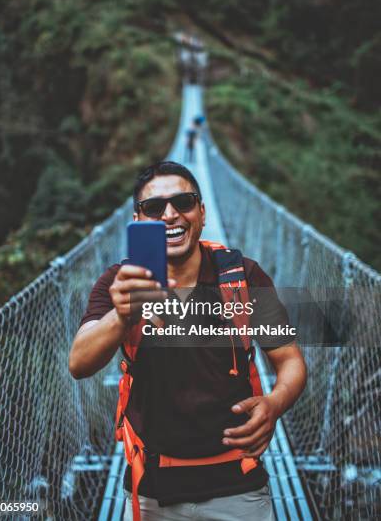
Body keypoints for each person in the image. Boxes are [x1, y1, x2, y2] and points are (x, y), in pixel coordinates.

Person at [69, 161, 307, 521]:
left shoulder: (242, 277)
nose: (170, 215)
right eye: (154, 208)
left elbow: (289, 360)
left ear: (202, 211)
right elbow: (79, 363)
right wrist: (122, 315)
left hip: (239, 484)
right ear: (139, 220)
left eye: (184, 202)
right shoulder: (119, 282)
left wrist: (275, 404)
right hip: (153, 488)